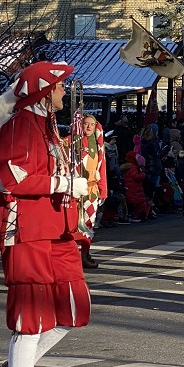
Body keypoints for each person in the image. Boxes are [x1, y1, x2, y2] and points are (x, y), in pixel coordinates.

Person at [0, 61, 89, 367]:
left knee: (71, 309)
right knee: (30, 318)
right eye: (61, 87)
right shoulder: (19, 125)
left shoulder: (46, 125)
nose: (65, 92)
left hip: (56, 229)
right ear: (46, 92)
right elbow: (8, 176)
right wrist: (62, 183)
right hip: (28, 231)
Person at [70, 114, 107, 268]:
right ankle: (72, 257)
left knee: (88, 225)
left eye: (92, 124)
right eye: (86, 124)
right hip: (75, 190)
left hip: (91, 191)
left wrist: (103, 190)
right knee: (73, 225)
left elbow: (102, 167)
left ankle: (85, 254)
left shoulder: (98, 145)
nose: (89, 127)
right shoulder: (72, 141)